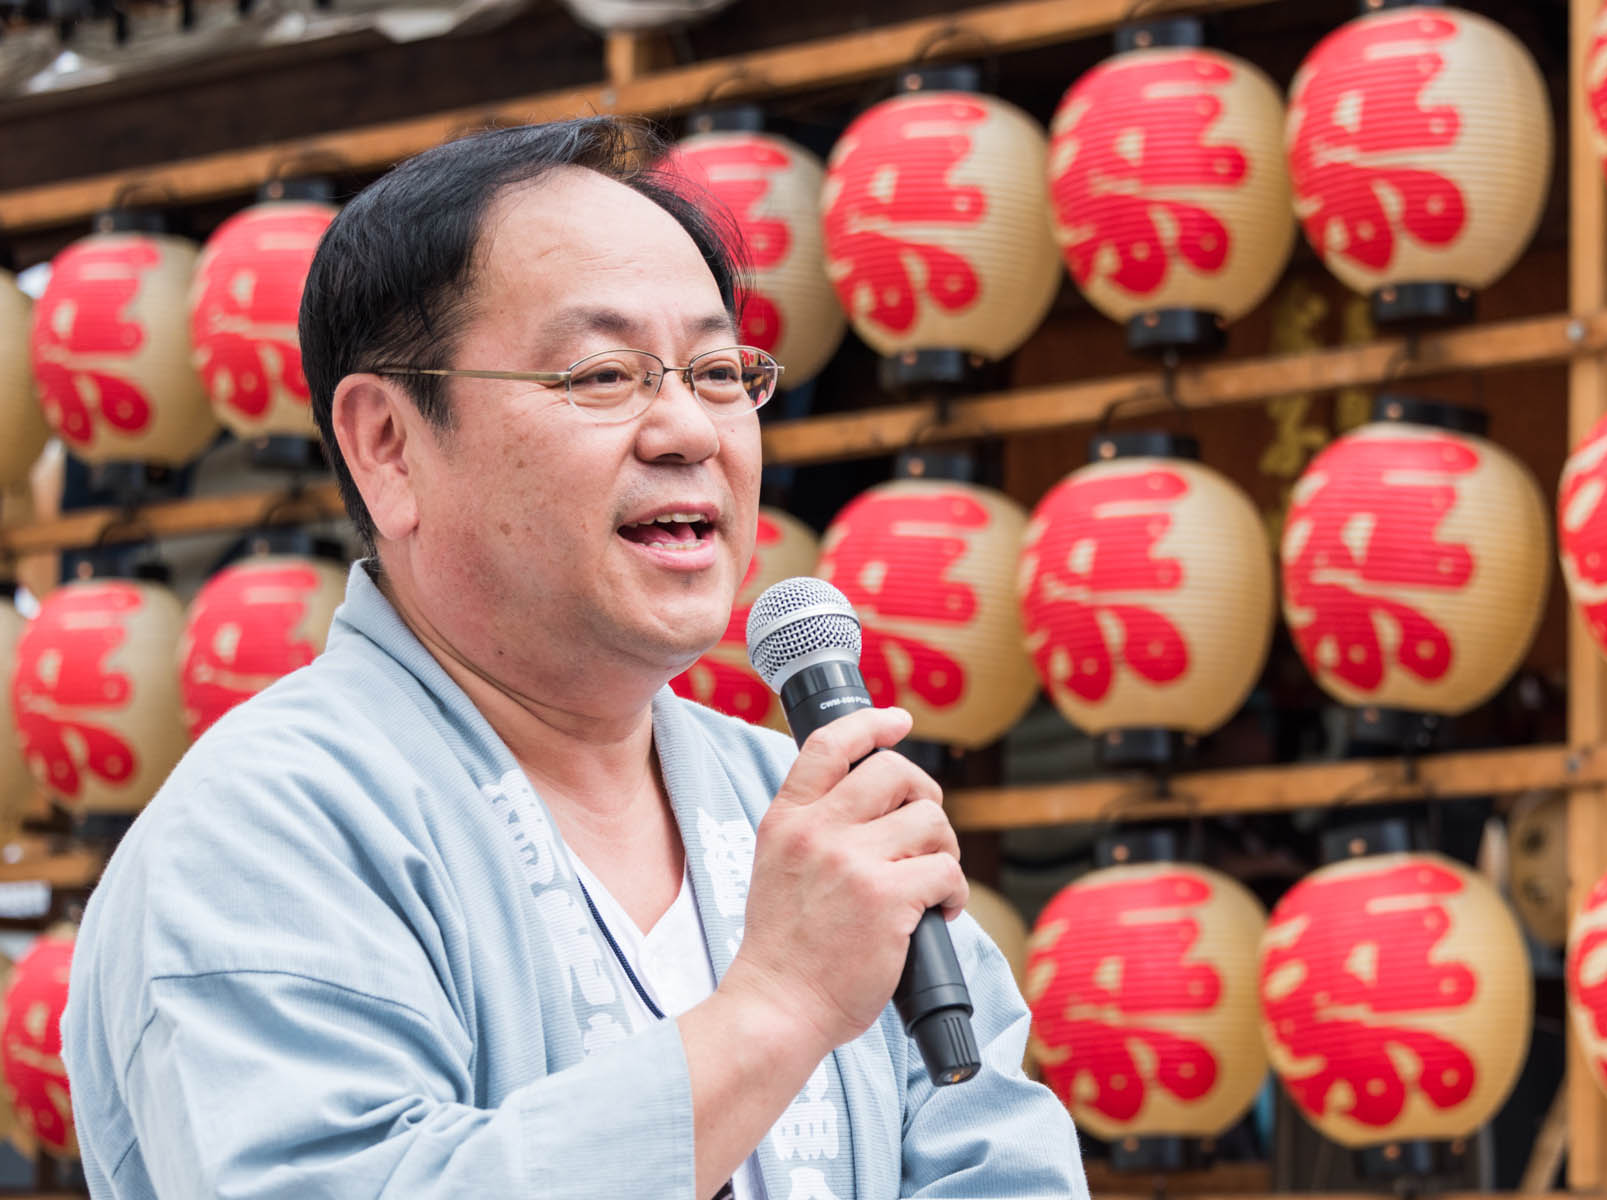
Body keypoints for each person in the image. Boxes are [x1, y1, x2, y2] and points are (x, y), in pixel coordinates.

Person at [62, 118, 1088, 1199]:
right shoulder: (263, 834)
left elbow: (997, 1159)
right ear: (389, 446)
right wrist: (776, 1009)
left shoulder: (805, 815)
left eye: (717, 370)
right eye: (604, 374)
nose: (689, 429)